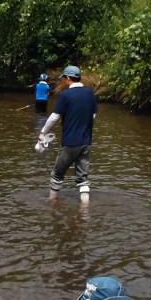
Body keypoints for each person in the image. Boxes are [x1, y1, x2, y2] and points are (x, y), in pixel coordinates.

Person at [37, 65, 97, 199]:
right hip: (86, 143)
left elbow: (54, 117)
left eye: (64, 78)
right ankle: (84, 210)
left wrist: (42, 132)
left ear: (69, 78)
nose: (64, 81)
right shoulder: (90, 93)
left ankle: (52, 203)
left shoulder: (65, 95)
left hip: (69, 143)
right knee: (83, 179)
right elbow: (93, 116)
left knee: (57, 175)